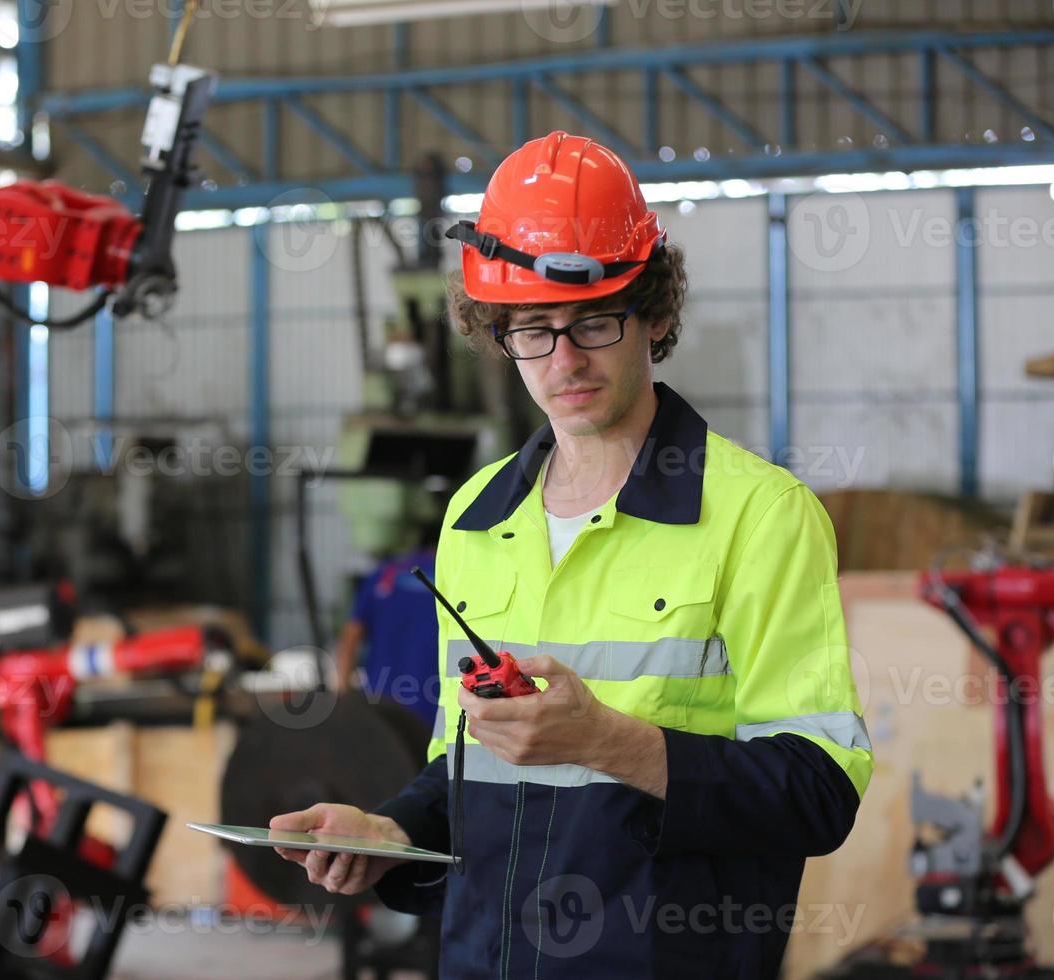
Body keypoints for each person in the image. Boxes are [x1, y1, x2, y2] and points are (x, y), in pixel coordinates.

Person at [270, 131, 873, 978]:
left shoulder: (759, 516)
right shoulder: (475, 519)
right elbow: (466, 765)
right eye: (532, 329)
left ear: (655, 313)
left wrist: (606, 741)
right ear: (497, 332)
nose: (565, 360)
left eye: (593, 320)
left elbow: (817, 793)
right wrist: (395, 832)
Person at [334, 545, 441, 730]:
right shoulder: (456, 577)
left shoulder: (384, 575)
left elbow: (351, 635)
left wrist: (343, 692)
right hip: (436, 699)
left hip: (382, 697)